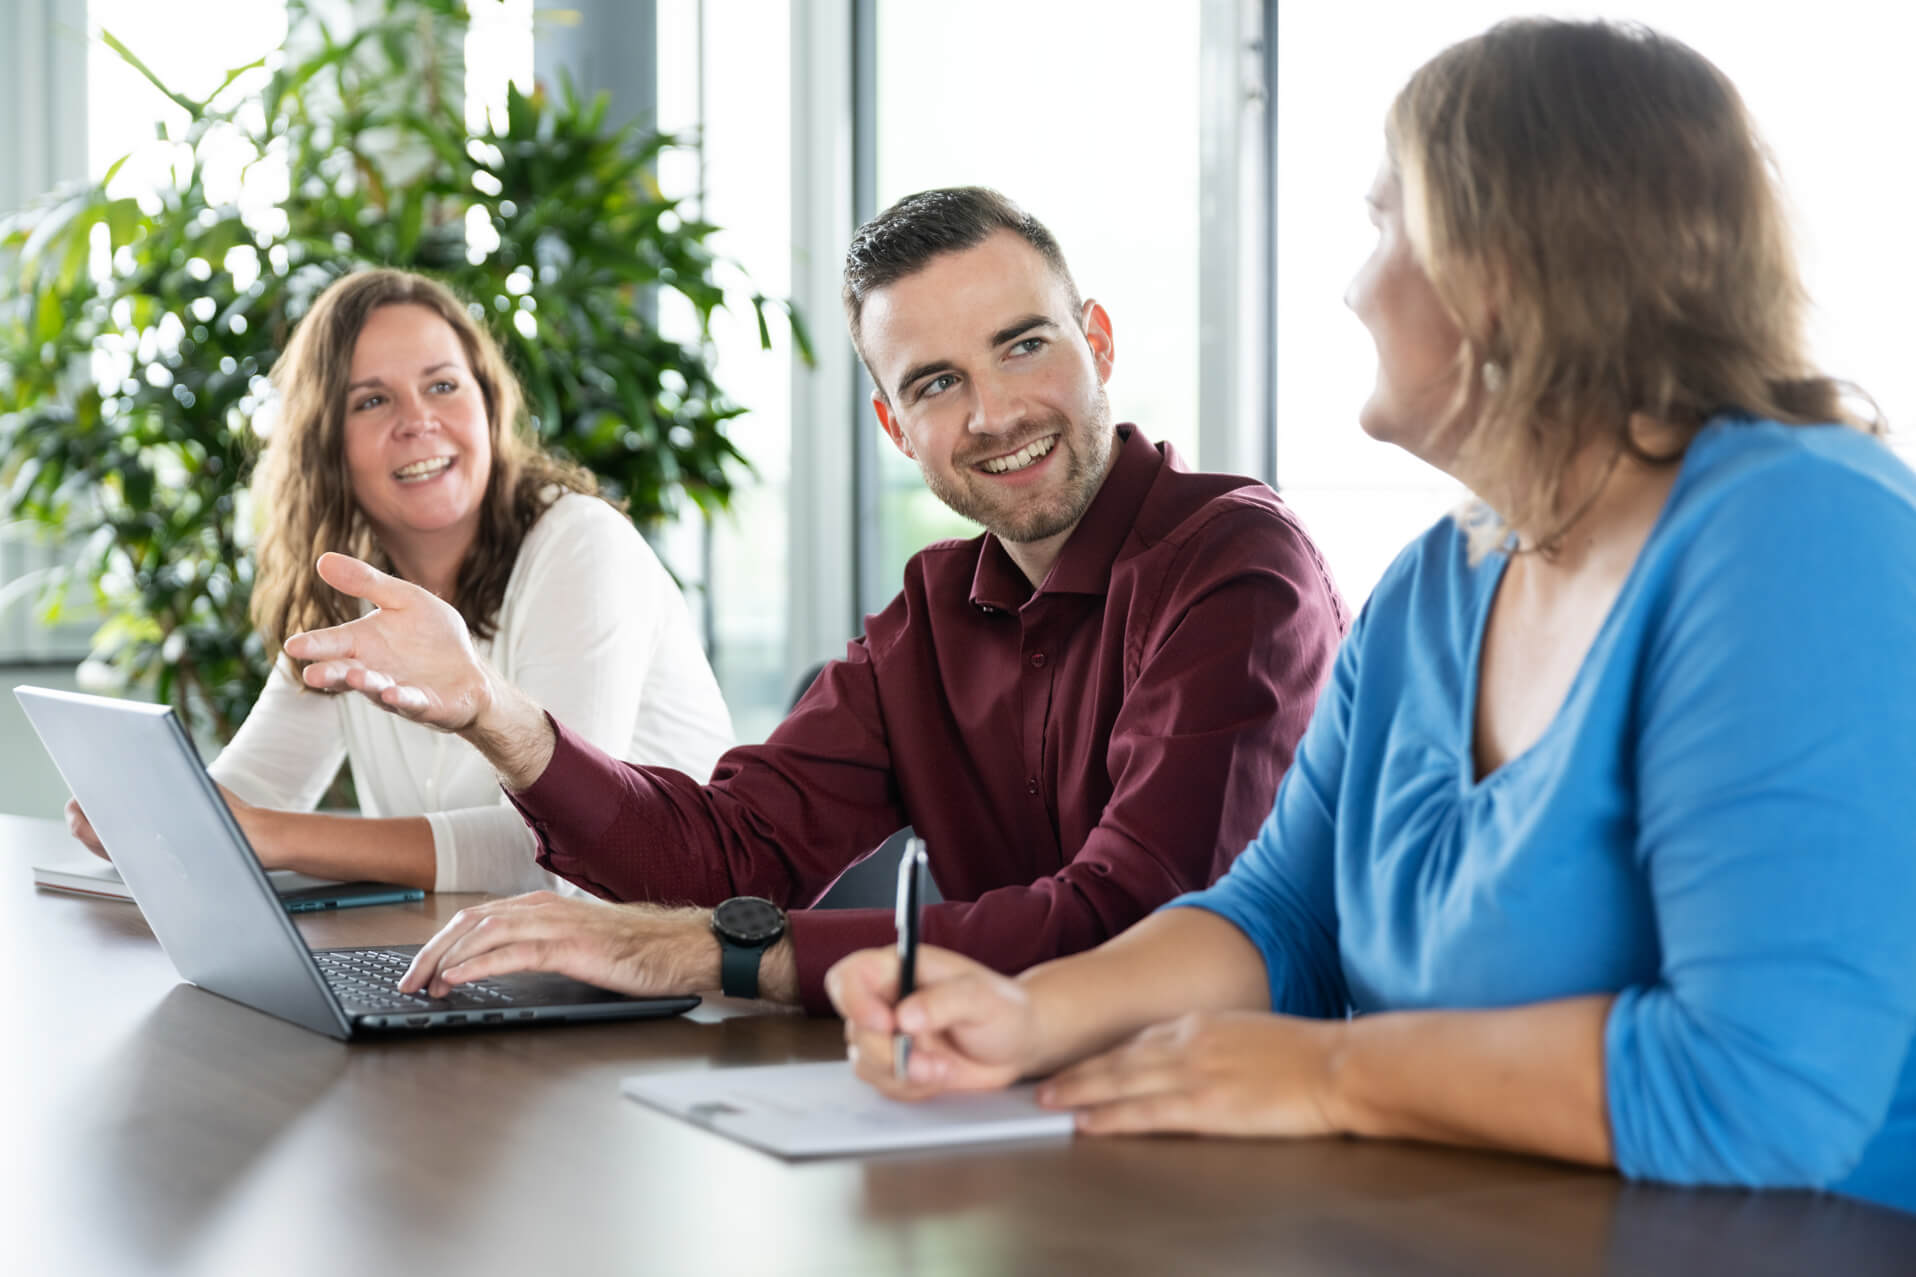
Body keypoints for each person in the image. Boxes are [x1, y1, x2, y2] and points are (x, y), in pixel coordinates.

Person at [828, 20, 1916, 1214]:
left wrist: (1331, 1070)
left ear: (1505, 261)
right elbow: (1278, 914)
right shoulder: (1434, 585)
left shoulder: (1798, 528)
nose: (1352, 287)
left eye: (1385, 224)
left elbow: (1762, 1086)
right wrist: (1026, 1015)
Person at [281, 188, 1348, 1013]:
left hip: (1233, 1155)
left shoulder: (1237, 567)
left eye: (1023, 344)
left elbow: (1135, 924)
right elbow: (727, 847)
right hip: (1006, 1111)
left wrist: (717, 950)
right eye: (934, 382)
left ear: (1096, 343)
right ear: (894, 426)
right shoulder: (927, 618)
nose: (993, 411)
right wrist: (490, 710)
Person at [66, 268, 735, 893]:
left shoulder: (580, 545)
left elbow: (555, 853)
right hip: (493, 967)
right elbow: (247, 798)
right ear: (327, 443)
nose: (417, 419)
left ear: (489, 404)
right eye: (373, 399)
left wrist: (265, 836)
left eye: (443, 385)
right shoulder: (346, 589)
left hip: (687, 970)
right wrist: (151, 821)